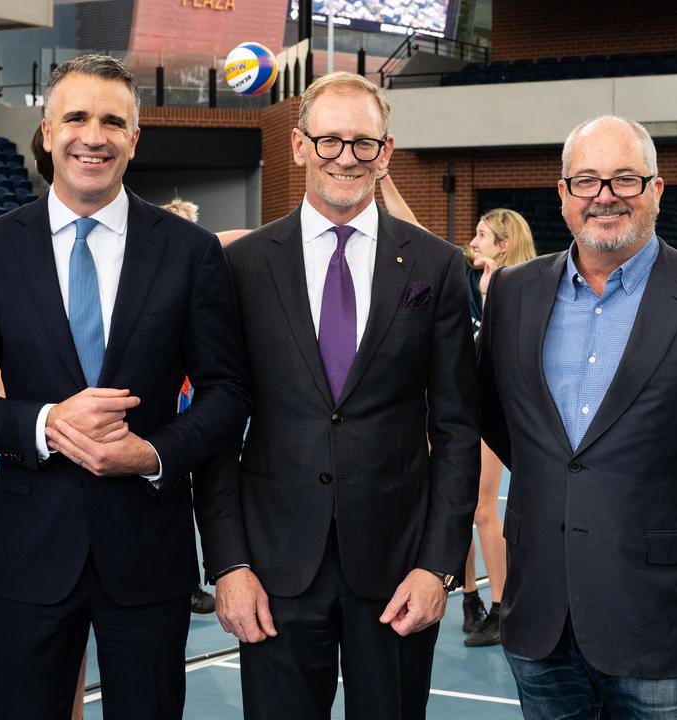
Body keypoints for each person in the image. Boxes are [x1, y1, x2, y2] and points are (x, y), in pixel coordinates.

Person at [0, 54, 249, 719]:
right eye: (78, 117)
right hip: (33, 554)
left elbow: (227, 392)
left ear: (134, 140)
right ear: (49, 131)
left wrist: (152, 454)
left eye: (113, 121)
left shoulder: (190, 250)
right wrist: (45, 422)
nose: (95, 135)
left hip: (149, 553)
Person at [196, 71, 480, 720]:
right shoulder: (242, 268)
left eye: (363, 142)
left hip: (399, 569)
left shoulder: (436, 266)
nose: (345, 157)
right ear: (298, 146)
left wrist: (438, 566)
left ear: (387, 152)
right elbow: (217, 427)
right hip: (272, 570)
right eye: (328, 141)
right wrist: (229, 564)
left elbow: (458, 431)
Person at [479, 115, 677, 720]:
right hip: (541, 612)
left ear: (657, 189)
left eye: (625, 179)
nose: (605, 195)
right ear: (563, 194)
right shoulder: (512, 293)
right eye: (587, 180)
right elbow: (506, 424)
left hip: (664, 618)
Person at [460, 208, 536, 648]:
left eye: (482, 235)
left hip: (496, 411)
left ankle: (503, 607)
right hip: (457, 408)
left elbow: (507, 356)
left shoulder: (520, 287)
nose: (473, 241)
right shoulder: (469, 277)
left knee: (484, 509)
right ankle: (469, 596)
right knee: (456, 504)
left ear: (504, 245)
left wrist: (491, 299)